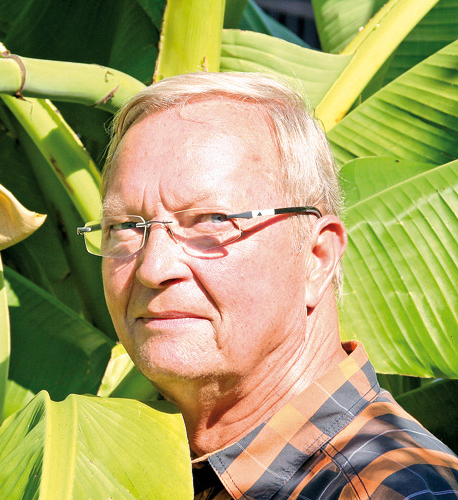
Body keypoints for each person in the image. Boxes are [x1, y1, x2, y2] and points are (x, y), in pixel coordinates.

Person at [77, 72, 458, 499]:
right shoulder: (147, 471)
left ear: (317, 259)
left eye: (212, 220)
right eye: (127, 226)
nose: (153, 268)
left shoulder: (392, 489)